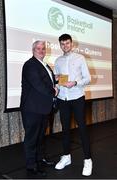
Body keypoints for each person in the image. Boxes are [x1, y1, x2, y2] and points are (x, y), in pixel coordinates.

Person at [54, 34, 93, 176]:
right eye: (62, 44)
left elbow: (88, 78)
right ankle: (66, 157)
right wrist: (56, 82)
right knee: (65, 129)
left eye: (67, 43)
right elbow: (57, 79)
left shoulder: (80, 58)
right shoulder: (57, 60)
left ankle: (88, 160)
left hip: (77, 97)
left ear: (72, 44)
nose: (65, 46)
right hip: (63, 98)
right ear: (60, 45)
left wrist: (75, 83)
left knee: (82, 128)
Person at [20, 40, 58, 177]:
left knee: (40, 137)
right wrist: (54, 91)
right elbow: (38, 84)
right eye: (38, 48)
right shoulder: (30, 65)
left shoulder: (44, 65)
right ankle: (31, 167)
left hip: (43, 108)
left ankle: (40, 160)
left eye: (43, 48)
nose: (41, 50)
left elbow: (46, 80)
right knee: (32, 138)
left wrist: (56, 79)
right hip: (32, 109)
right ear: (33, 50)